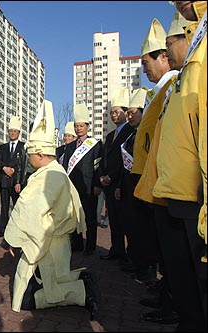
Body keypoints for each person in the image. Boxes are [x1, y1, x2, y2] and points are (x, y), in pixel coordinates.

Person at [4, 100, 99, 321]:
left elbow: (28, 211)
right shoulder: (54, 171)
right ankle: (82, 280)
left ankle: (82, 292)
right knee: (41, 285)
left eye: (29, 155)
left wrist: (14, 239)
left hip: (48, 245)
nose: (28, 159)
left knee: (28, 298)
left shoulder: (48, 176)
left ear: (38, 154)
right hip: (52, 243)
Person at [151, 3, 207, 331]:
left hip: (193, 190)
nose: (168, 53)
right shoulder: (183, 73)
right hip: (177, 188)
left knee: (197, 283)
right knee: (185, 279)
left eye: (170, 46)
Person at [133, 16, 181, 326]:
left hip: (165, 183)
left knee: (173, 253)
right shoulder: (159, 91)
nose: (144, 69)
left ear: (164, 56)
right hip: (151, 182)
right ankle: (167, 295)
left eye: (146, 61)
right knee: (164, 250)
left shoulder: (172, 85)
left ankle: (175, 303)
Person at [115, 87, 157, 281]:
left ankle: (146, 268)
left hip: (142, 189)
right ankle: (136, 262)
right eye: (129, 113)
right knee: (132, 227)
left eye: (133, 113)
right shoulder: (132, 135)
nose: (129, 116)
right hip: (128, 187)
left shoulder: (149, 132)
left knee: (144, 230)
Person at [98, 87, 134, 265]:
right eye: (111, 113)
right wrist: (102, 176)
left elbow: (124, 160)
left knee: (126, 220)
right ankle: (116, 249)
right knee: (113, 219)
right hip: (108, 184)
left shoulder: (130, 130)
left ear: (126, 113)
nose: (113, 115)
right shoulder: (110, 134)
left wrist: (112, 178)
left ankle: (130, 254)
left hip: (121, 183)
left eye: (117, 112)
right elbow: (105, 159)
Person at [62, 104, 102, 255]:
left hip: (89, 186)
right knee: (74, 217)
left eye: (81, 126)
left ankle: (90, 246)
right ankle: (77, 244)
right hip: (72, 187)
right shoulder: (70, 146)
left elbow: (98, 166)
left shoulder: (95, 144)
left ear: (87, 126)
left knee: (90, 217)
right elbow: (66, 166)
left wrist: (97, 184)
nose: (79, 129)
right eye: (76, 126)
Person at [0, 115, 26, 238]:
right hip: (4, 181)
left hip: (16, 182)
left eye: (15, 131)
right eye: (10, 131)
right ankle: (3, 229)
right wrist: (4, 168)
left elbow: (22, 165)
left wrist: (19, 180)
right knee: (4, 206)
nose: (12, 133)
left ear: (19, 132)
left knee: (17, 206)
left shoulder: (23, 147)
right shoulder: (3, 147)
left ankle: (18, 229)